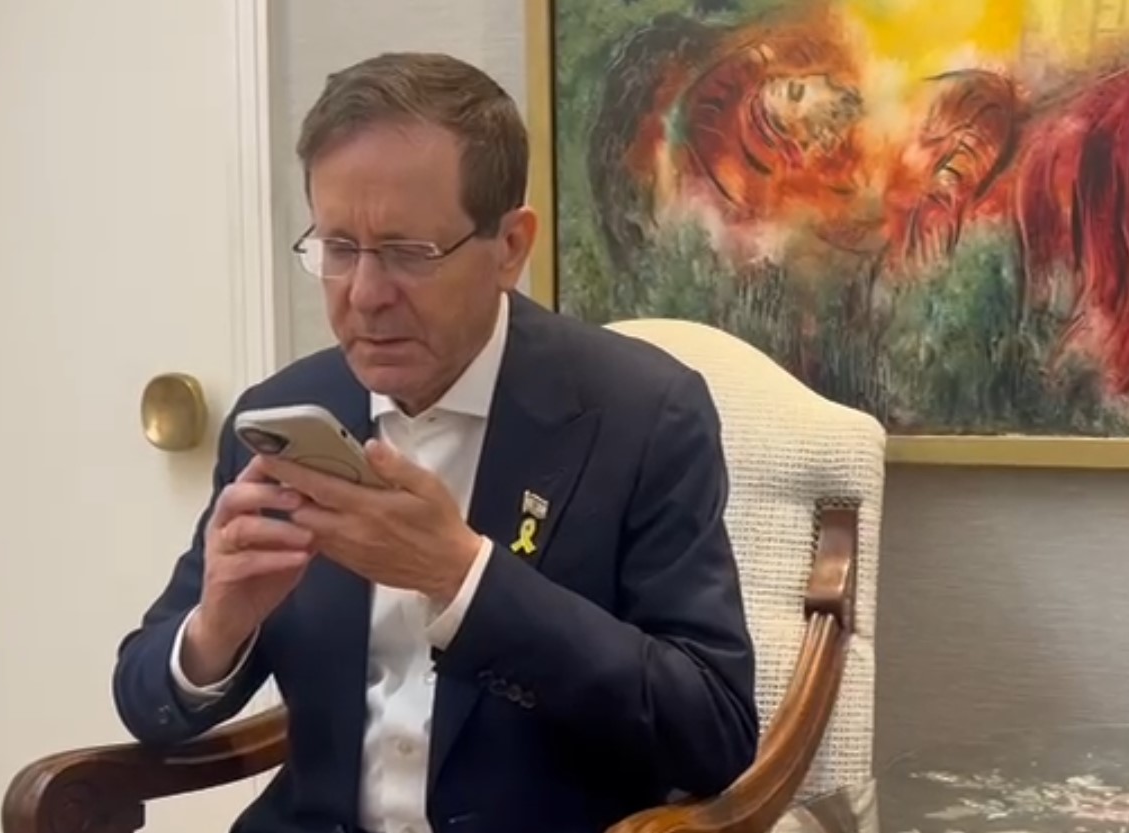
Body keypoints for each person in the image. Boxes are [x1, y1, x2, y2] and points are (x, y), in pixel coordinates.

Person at [112, 52, 758, 833]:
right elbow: (145, 695)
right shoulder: (281, 415)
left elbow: (711, 732)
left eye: (407, 253)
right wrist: (219, 626)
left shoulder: (645, 414)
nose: (364, 295)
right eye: (338, 248)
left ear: (510, 246)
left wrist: (464, 579)